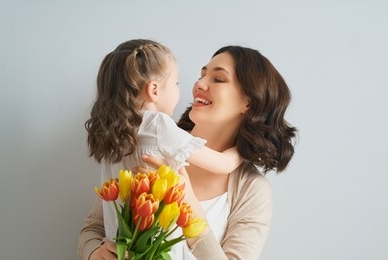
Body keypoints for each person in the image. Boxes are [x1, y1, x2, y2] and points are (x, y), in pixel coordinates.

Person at [78, 44, 298, 260]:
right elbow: (94, 228)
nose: (199, 84)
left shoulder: (252, 190)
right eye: (201, 75)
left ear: (248, 104)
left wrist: (193, 215)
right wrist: (94, 253)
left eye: (218, 79)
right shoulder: (151, 143)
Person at [84, 39, 243, 245]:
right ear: (155, 90)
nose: (183, 90)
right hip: (155, 249)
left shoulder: (115, 132)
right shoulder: (159, 126)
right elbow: (223, 164)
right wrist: (244, 150)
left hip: (118, 246)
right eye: (176, 83)